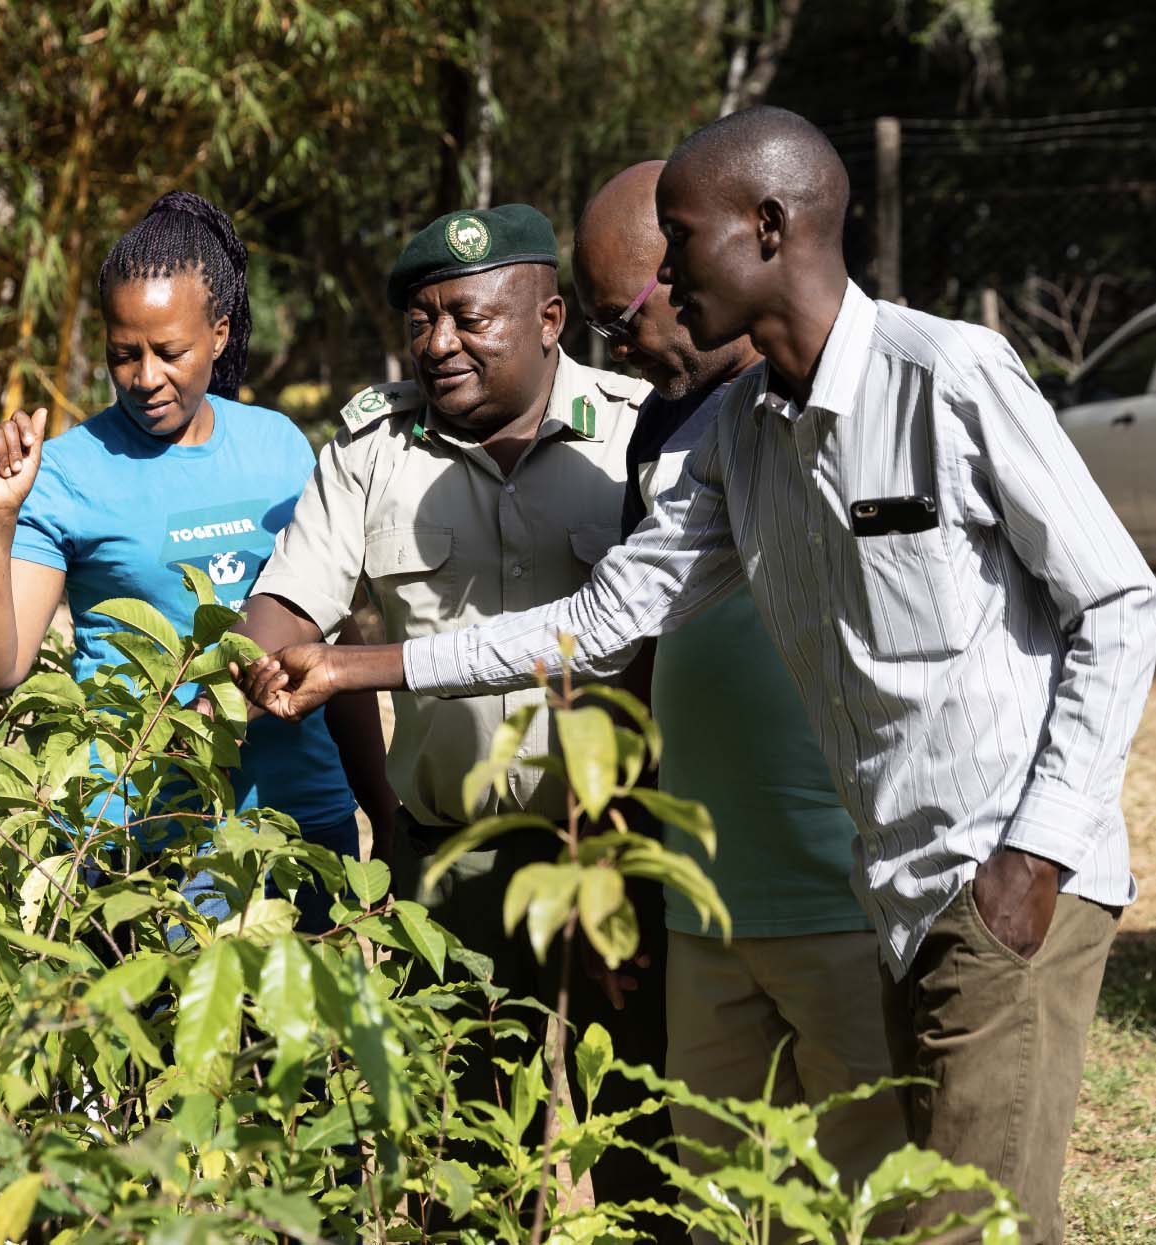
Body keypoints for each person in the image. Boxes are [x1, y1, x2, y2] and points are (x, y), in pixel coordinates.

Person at [240, 107, 1155, 1244]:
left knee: (973, 1228)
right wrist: (357, 664)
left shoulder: (945, 375)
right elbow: (603, 619)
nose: (659, 274)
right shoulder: (737, 433)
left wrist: (1035, 852)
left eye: (677, 239)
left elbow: (1116, 602)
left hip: (1002, 882)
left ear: (768, 228)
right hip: (898, 899)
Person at [236, 204, 679, 1223]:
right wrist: (260, 657)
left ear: (548, 316)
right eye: (419, 321)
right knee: (460, 1155)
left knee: (645, 1142)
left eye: (468, 318)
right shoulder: (369, 448)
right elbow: (288, 599)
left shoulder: (636, 435)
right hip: (456, 864)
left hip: (622, 849)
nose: (438, 345)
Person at [573, 159, 904, 1196]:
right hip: (708, 900)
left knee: (877, 1181)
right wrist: (613, 847)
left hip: (842, 886)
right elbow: (623, 644)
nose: (617, 349)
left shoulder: (856, 391)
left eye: (620, 316)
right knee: (727, 1189)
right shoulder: (663, 424)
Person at [0, 190, 393, 932]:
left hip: (300, 827)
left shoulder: (280, 447)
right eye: (124, 354)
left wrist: (379, 808)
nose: (145, 376)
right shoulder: (66, 471)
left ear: (218, 334)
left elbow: (331, 643)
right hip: (142, 839)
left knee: (301, 1049)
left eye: (169, 352)